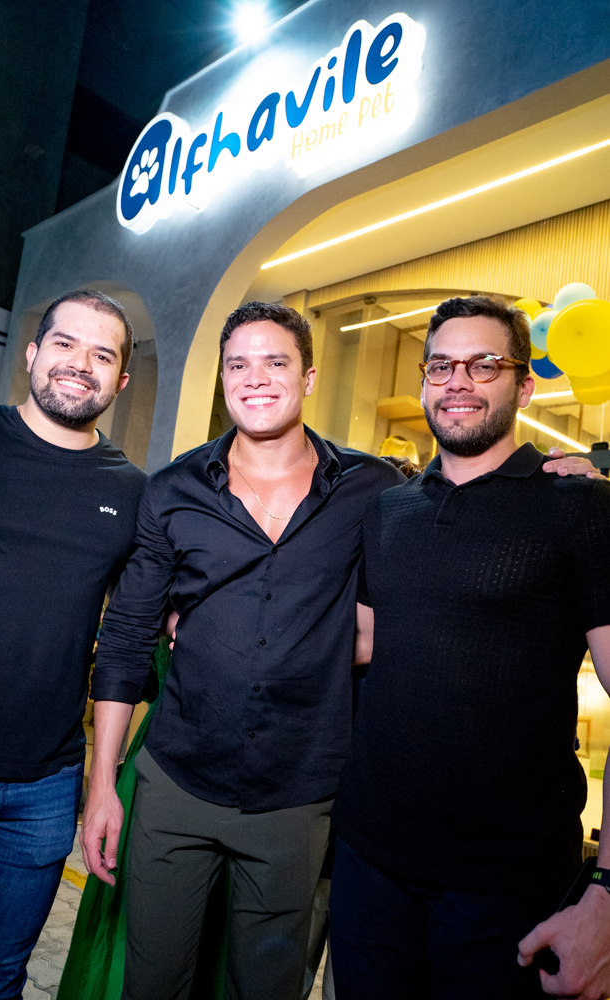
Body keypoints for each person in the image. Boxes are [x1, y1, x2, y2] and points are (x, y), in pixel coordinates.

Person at [81, 299, 594, 1000]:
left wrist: (561, 477)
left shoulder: (377, 491)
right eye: (238, 364)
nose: (255, 378)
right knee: (157, 980)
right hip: (223, 790)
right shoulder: (188, 490)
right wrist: (106, 774)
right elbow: (133, 634)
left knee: (267, 983)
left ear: (309, 377)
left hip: (334, 807)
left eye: (275, 362)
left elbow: (383, 618)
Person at [329, 295, 610, 1000]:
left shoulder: (579, 507)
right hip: (370, 866)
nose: (457, 380)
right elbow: (361, 644)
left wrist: (605, 893)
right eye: (441, 365)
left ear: (524, 383)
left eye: (484, 364)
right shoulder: (386, 510)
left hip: (506, 886)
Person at [0, 288, 147, 999]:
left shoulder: (131, 493)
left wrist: (101, 786)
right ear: (32, 354)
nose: (79, 364)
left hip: (41, 789)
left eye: (102, 354)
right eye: (64, 344)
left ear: (120, 380)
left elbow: (129, 640)